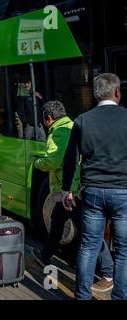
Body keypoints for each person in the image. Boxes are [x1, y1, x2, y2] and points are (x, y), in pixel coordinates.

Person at [32, 100, 113, 293]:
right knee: (58, 219)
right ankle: (45, 255)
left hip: (70, 189)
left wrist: (37, 163)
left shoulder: (58, 131)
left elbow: (54, 160)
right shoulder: (73, 124)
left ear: (49, 118)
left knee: (89, 230)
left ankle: (108, 273)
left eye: (45, 121)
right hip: (75, 186)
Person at [62, 73, 127, 300]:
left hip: (92, 192)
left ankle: (82, 296)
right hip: (123, 192)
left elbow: (70, 159)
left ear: (95, 94)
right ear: (117, 92)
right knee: (123, 251)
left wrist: (66, 189)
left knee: (88, 247)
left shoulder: (82, 120)